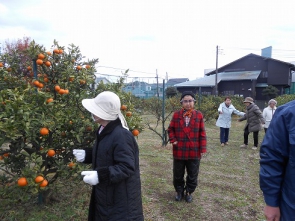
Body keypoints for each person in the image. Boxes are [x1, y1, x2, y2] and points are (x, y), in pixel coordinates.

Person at [73, 91, 144, 221]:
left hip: (120, 198)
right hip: (108, 194)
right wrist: (88, 155)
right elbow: (108, 153)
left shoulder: (121, 135)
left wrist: (100, 175)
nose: (91, 112)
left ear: (103, 113)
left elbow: (126, 166)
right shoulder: (105, 130)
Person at [168, 91, 207, 203]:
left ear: (194, 102)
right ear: (182, 102)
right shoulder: (176, 115)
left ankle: (189, 191)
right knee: (178, 173)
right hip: (179, 150)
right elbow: (170, 129)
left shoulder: (198, 115)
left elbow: (202, 133)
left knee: (193, 174)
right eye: (185, 101)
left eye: (190, 101)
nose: (188, 103)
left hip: (194, 151)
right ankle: (179, 191)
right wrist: (173, 140)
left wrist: (203, 148)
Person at [259, 99, 295, 221]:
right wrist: (271, 201)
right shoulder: (287, 114)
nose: (273, 104)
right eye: (272, 103)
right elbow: (272, 158)